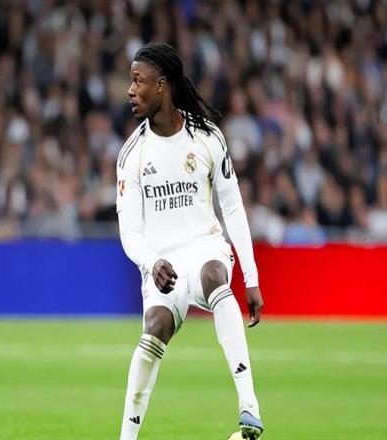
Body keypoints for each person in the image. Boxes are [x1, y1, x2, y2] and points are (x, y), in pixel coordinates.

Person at [116, 43, 264, 440]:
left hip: (205, 246)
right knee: (155, 326)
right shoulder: (131, 155)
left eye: (138, 81)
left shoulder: (207, 138)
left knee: (215, 276)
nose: (130, 90)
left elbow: (232, 208)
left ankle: (249, 406)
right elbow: (129, 231)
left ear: (162, 86)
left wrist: (250, 278)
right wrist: (151, 262)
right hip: (162, 262)